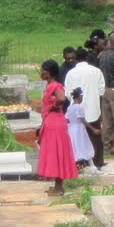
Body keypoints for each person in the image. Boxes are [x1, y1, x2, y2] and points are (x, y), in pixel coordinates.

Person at [35, 59, 78, 191]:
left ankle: (59, 186)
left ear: (48, 73)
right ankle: (58, 186)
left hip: (55, 124)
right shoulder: (50, 85)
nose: (41, 72)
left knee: (56, 153)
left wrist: (54, 106)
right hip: (52, 122)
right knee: (56, 153)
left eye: (42, 70)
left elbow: (61, 98)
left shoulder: (55, 86)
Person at [64, 45, 106, 170]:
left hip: (76, 113)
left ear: (76, 58)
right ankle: (97, 162)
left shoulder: (71, 73)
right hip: (93, 110)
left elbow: (67, 94)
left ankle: (80, 163)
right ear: (87, 58)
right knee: (95, 137)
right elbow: (101, 91)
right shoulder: (96, 71)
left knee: (77, 138)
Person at [66, 88, 95, 168]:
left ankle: (76, 165)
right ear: (79, 97)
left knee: (75, 146)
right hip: (79, 129)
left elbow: (67, 119)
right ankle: (91, 166)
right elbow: (83, 120)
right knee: (84, 144)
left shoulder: (69, 108)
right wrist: (93, 129)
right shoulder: (80, 107)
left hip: (71, 129)